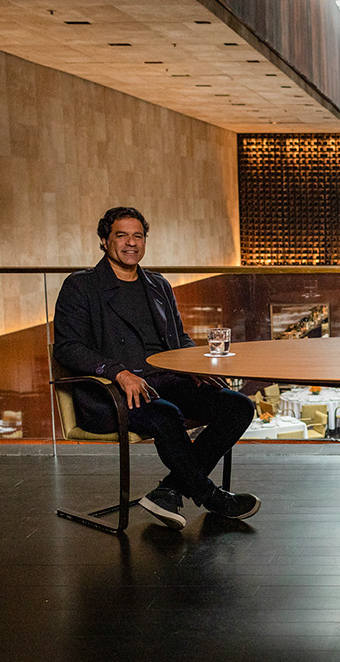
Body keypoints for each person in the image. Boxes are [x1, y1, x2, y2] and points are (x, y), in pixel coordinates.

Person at [53, 206, 258, 530]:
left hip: (167, 380)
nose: (130, 243)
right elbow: (68, 347)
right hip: (113, 390)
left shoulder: (157, 285)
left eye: (138, 236)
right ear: (104, 241)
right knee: (164, 415)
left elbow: (179, 338)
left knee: (238, 406)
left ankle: (169, 490)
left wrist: (194, 364)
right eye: (121, 235)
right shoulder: (81, 286)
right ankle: (212, 496)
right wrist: (119, 373)